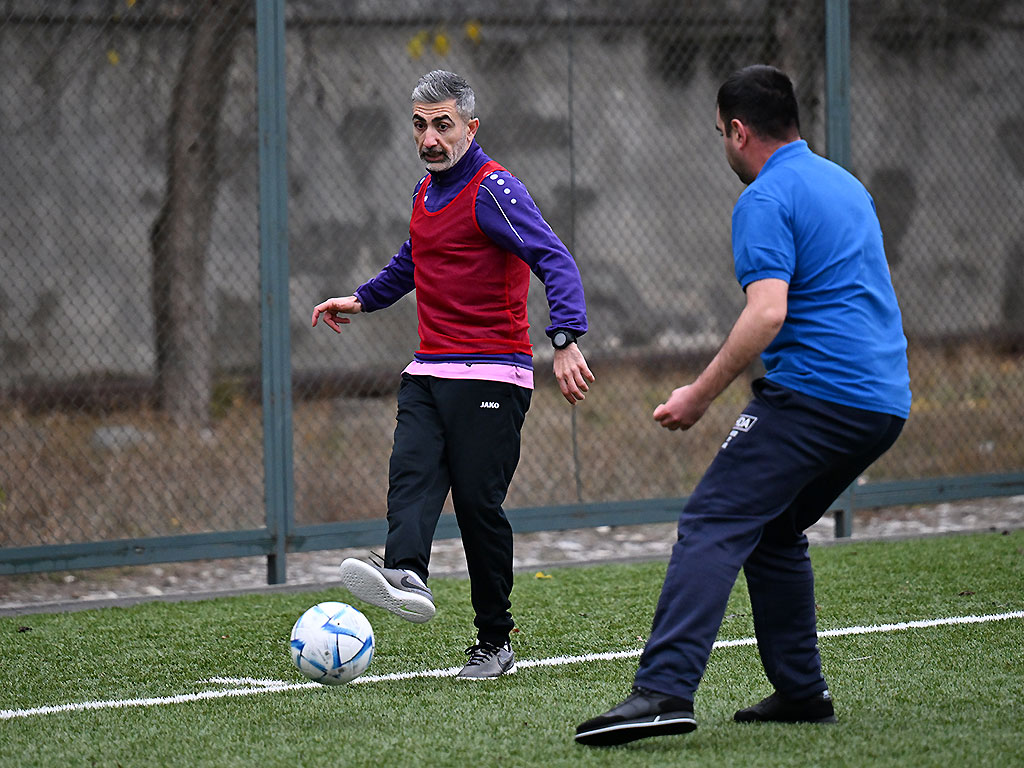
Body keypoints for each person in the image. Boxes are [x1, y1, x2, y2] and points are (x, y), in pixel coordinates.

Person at [575, 64, 911, 746]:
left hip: (818, 396)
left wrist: (698, 395)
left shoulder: (764, 198)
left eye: (719, 134)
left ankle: (663, 691)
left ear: (737, 131)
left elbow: (767, 313)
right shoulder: (844, 184)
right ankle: (802, 691)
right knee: (774, 528)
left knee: (713, 519)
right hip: (883, 401)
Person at [312, 70, 594, 680]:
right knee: (411, 470)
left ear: (470, 126)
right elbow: (414, 260)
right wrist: (361, 299)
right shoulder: (424, 191)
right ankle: (405, 571)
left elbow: (554, 258)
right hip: (430, 368)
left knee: (476, 506)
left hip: (493, 374)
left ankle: (494, 641)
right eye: (420, 125)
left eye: (443, 125)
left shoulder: (495, 190)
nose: (430, 138)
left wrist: (565, 338)